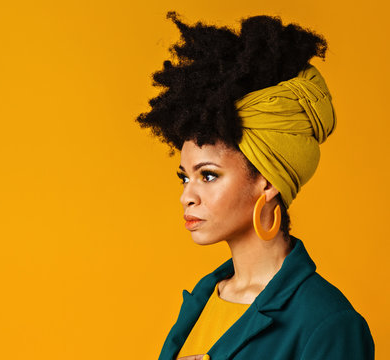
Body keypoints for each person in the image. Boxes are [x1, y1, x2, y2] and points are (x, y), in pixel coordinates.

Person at [135, 12, 375, 360]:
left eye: (209, 175)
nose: (187, 196)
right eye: (184, 177)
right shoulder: (206, 297)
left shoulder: (328, 323)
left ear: (266, 181)